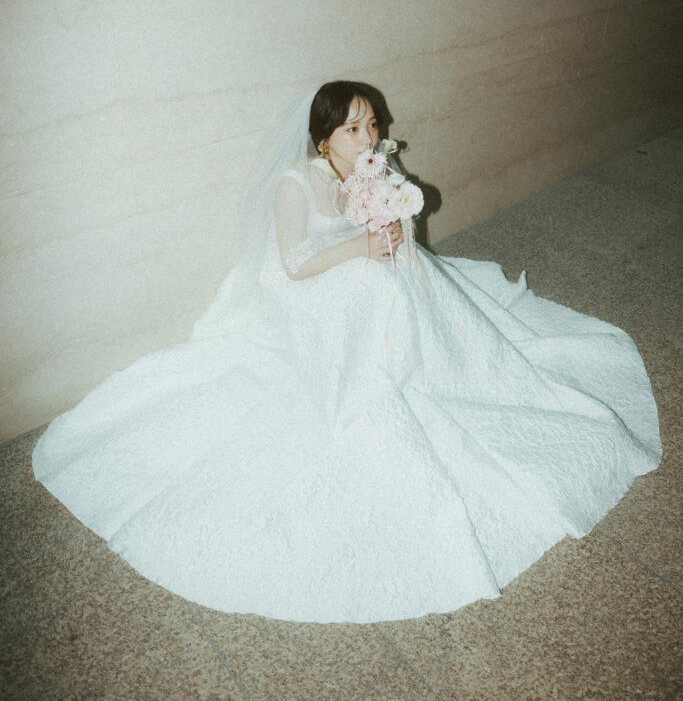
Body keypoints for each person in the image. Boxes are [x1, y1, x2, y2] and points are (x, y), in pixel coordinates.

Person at [33, 81, 661, 623]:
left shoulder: (370, 168)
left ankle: (438, 365)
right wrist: (363, 248)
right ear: (323, 140)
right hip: (302, 286)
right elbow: (294, 265)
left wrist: (392, 226)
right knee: (373, 288)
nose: (369, 137)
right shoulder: (294, 185)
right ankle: (380, 380)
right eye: (353, 128)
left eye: (372, 125)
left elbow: (385, 224)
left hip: (354, 265)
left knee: (404, 280)